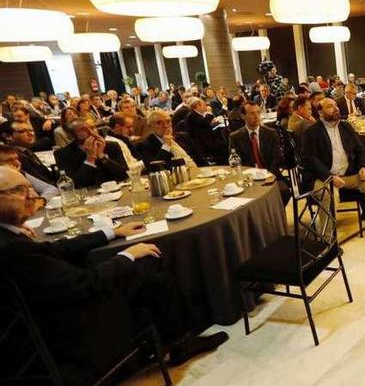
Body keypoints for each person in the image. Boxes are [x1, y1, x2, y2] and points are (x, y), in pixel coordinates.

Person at [0, 166, 228, 384]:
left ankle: (177, 341)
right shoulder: (13, 248)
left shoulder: (9, 235)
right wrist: (127, 255)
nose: (32, 195)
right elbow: (86, 283)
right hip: (71, 333)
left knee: (156, 279)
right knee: (151, 261)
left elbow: (54, 250)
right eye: (20, 190)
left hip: (50, 316)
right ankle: (181, 337)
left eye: (29, 188)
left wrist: (111, 232)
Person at [300, 98, 365, 236]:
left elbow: (360, 149)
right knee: (327, 193)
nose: (336, 108)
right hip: (324, 177)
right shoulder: (312, 132)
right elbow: (309, 159)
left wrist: (363, 167)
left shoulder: (346, 127)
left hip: (348, 175)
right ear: (320, 112)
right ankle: (328, 238)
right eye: (330, 106)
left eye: (336, 105)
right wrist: (329, 177)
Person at [229, 102, 290, 206]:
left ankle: (274, 217)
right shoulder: (235, 137)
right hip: (247, 178)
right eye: (252, 113)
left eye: (258, 112)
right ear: (243, 116)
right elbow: (236, 161)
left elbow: (277, 157)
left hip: (270, 173)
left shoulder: (271, 133)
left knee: (284, 192)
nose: (256, 116)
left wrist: (268, 175)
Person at [54, 120, 128, 188]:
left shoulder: (111, 146)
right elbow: (73, 185)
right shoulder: (62, 154)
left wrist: (102, 157)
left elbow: (125, 174)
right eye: (83, 130)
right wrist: (90, 159)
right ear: (72, 135)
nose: (91, 132)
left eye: (92, 128)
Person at [183, 98, 225, 165]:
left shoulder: (197, 114)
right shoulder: (192, 115)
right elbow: (205, 122)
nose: (205, 106)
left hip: (205, 140)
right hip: (202, 144)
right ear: (197, 106)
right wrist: (209, 113)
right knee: (224, 145)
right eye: (203, 105)